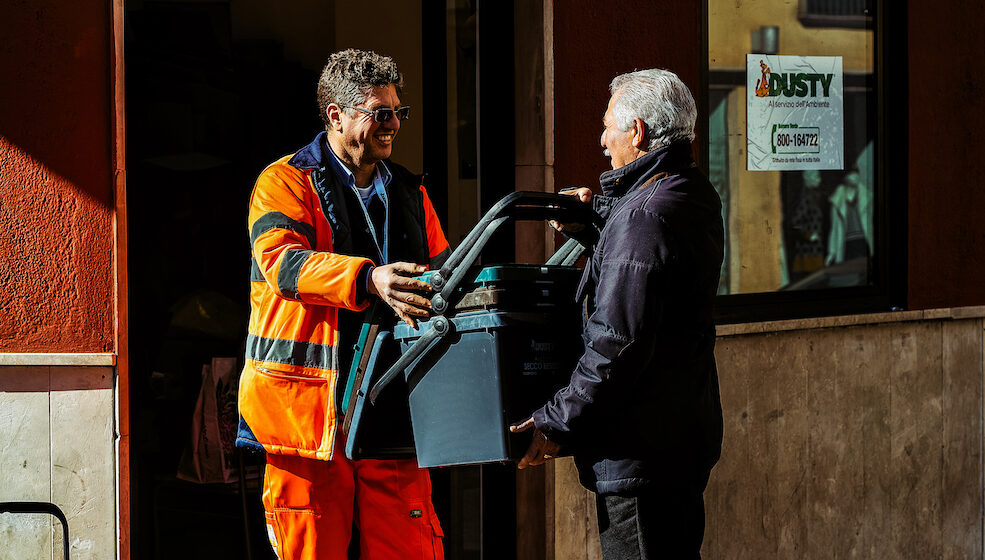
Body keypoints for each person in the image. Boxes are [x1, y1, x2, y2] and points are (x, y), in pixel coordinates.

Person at [236, 48, 449, 560]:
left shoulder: (410, 193)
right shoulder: (283, 182)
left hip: (393, 404)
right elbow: (284, 264)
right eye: (380, 112)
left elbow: (446, 275)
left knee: (412, 550)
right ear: (336, 116)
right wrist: (369, 279)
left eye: (398, 111)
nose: (393, 123)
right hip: (308, 416)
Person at [512, 68, 725, 558]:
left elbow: (616, 343)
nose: (602, 139)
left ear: (638, 132)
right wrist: (598, 222)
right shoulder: (690, 193)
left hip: (640, 452)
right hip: (676, 441)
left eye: (609, 125)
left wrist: (554, 421)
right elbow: (656, 276)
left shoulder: (642, 216)